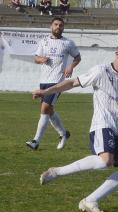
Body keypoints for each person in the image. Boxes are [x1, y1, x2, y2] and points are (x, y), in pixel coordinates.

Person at [34, 40, 118, 212]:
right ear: (117, 54)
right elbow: (72, 82)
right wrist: (45, 92)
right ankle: (57, 172)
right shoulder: (101, 71)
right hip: (102, 124)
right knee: (106, 161)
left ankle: (90, 201)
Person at [26, 17, 81, 150]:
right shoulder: (44, 41)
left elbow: (77, 57)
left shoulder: (68, 43)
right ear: (51, 26)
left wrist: (71, 67)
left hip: (57, 82)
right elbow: (36, 58)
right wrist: (41, 59)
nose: (58, 27)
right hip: (43, 80)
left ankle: (36, 141)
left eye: (61, 25)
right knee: (49, 110)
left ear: (63, 28)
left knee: (44, 109)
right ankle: (63, 133)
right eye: (56, 24)